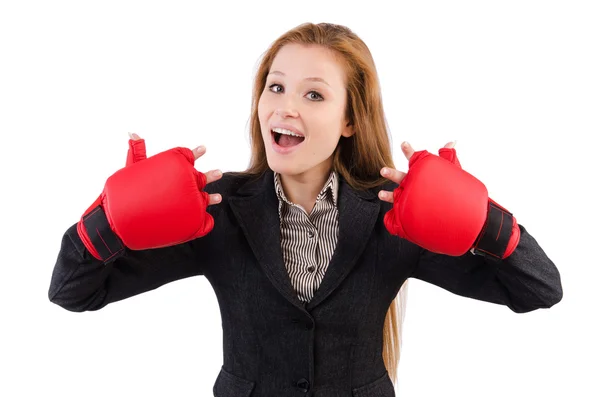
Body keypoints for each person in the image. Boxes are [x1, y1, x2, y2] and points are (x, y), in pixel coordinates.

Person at [48, 22, 563, 396]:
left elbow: (539, 289)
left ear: (349, 121)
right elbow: (73, 291)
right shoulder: (217, 210)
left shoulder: (395, 217)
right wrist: (108, 219)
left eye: (314, 94)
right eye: (275, 87)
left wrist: (482, 217)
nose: (284, 106)